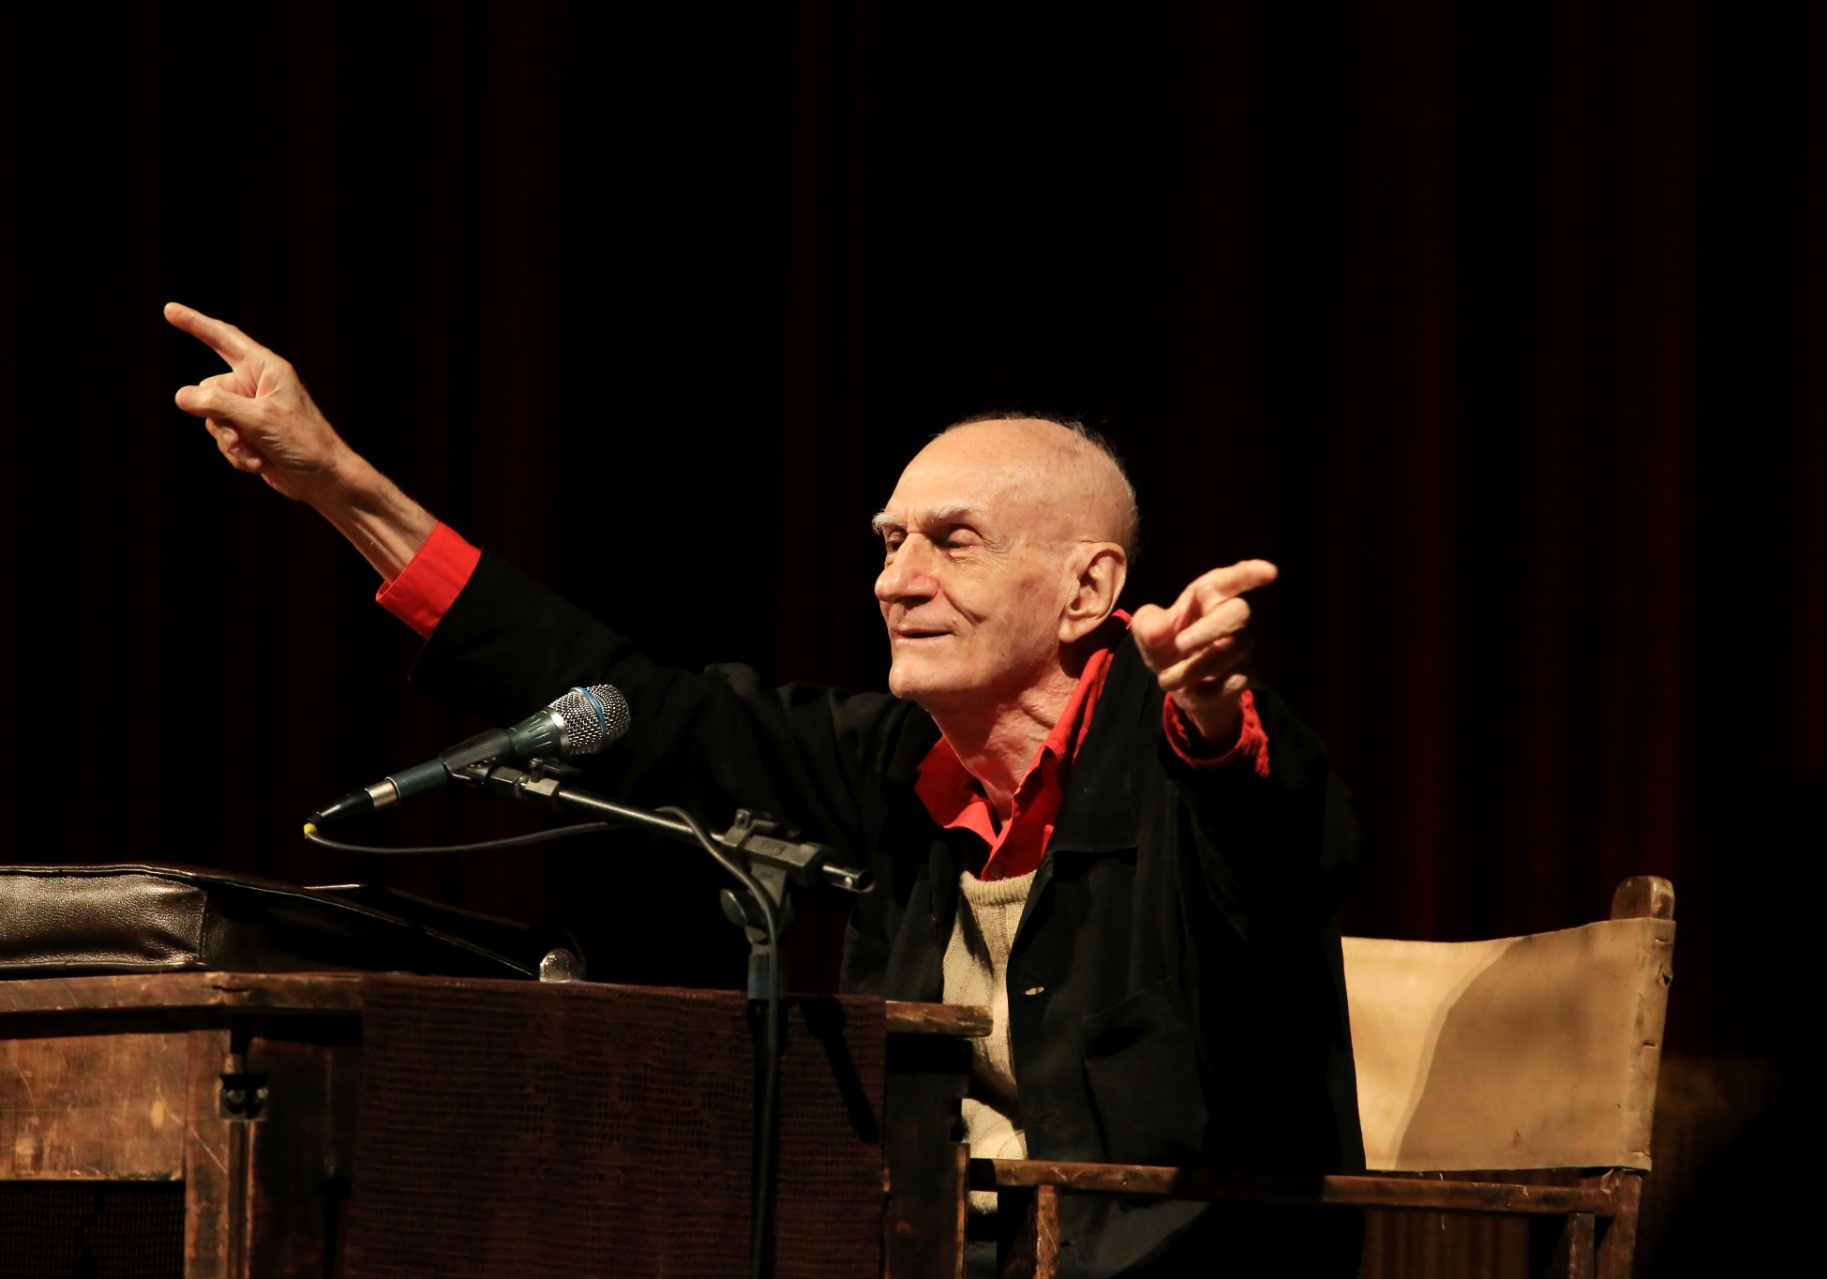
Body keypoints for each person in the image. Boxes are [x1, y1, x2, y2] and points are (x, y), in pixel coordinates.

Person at [165, 301, 1365, 1277]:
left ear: (1089, 590)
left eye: (951, 541)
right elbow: (632, 703)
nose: (896, 580)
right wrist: (336, 483)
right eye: (888, 542)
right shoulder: (892, 765)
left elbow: (1266, 838)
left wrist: (1204, 714)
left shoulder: (1185, 758)